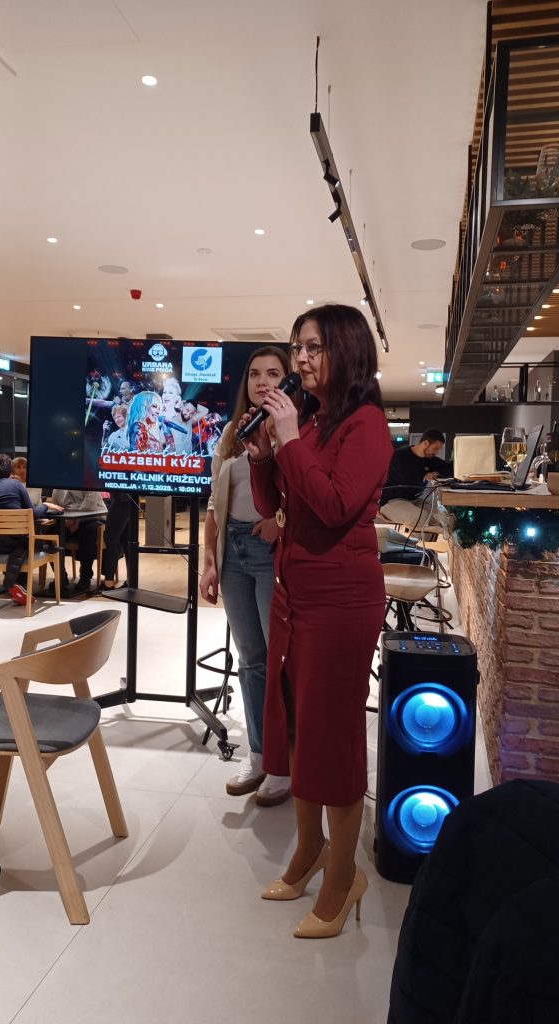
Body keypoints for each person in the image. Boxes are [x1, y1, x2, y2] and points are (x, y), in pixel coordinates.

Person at [242, 304, 392, 938]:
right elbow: (273, 507)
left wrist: (290, 442)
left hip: (341, 602)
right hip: (294, 594)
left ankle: (343, 874)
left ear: (347, 351)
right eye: (297, 347)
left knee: (332, 737)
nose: (299, 360)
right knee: (297, 727)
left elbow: (332, 506)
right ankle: (307, 851)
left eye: (313, 347)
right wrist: (262, 456)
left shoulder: (366, 425)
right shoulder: (309, 420)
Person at [200, 346, 291, 808]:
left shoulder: (292, 430)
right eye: (255, 374)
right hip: (232, 550)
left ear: (287, 381)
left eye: (273, 373)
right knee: (251, 658)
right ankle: (258, 754)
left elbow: (304, 494)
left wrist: (279, 517)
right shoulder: (233, 432)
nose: (262, 381)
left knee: (280, 660)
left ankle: (285, 761)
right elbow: (214, 502)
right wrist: (209, 560)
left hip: (270, 552)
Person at [0, 453, 62, 605]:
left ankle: (14, 585)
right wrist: (45, 505)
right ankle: (18, 584)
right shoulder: (16, 485)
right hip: (16, 544)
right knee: (41, 542)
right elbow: (32, 514)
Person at [380, 428, 453, 530]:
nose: (436, 452)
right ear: (425, 443)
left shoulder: (430, 460)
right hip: (391, 502)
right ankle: (415, 540)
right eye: (435, 448)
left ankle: (425, 537)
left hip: (414, 500)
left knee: (440, 518)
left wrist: (436, 473)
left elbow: (452, 469)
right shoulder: (398, 456)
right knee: (421, 518)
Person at [48, 489, 108, 595]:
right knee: (50, 532)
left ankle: (85, 577)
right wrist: (66, 521)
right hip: (67, 520)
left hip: (92, 515)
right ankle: (61, 575)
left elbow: (90, 504)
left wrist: (76, 520)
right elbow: (56, 508)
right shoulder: (57, 487)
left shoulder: (88, 482)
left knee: (88, 531)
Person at [100, 492, 131, 591]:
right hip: (130, 499)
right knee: (128, 543)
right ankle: (131, 581)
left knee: (111, 541)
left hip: (120, 499)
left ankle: (108, 583)